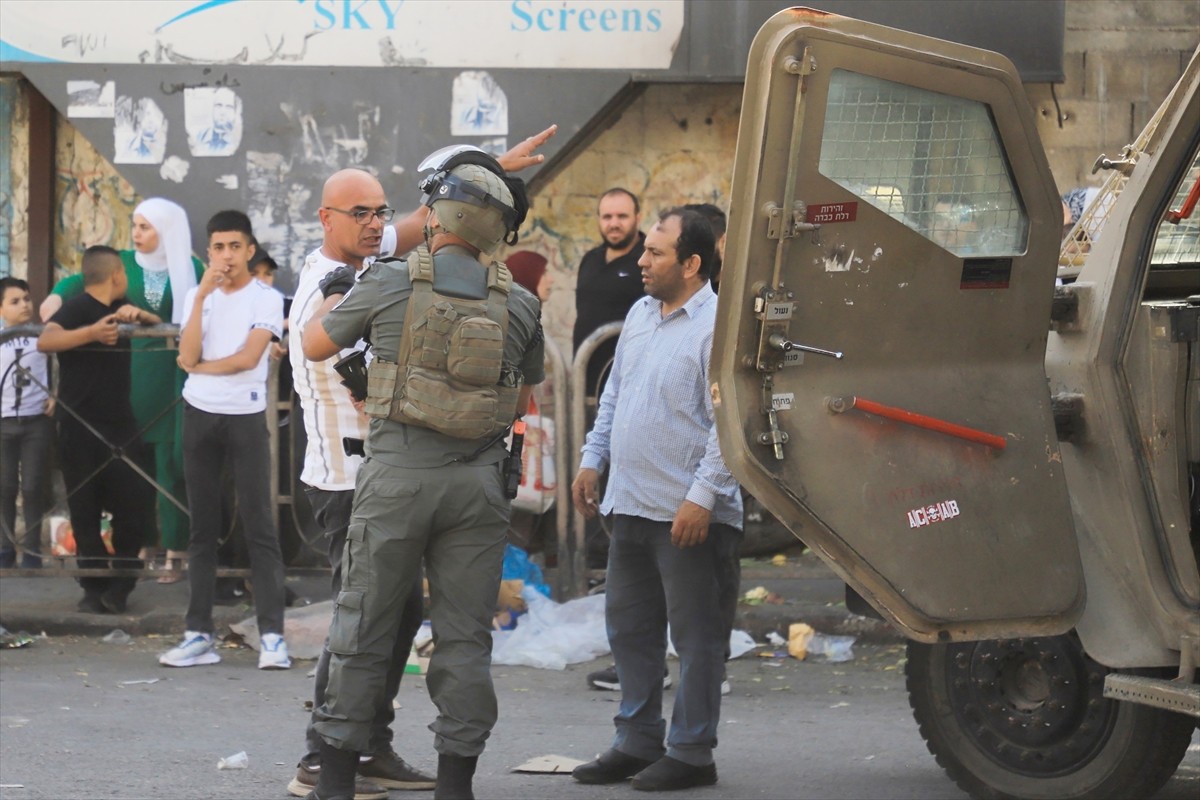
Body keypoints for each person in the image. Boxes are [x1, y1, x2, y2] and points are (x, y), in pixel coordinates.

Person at [285, 129, 556, 799]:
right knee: (464, 637)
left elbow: (315, 343)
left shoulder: (388, 284)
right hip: (478, 486)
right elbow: (523, 393)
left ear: (435, 215)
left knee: (364, 627)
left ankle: (338, 777)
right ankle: (456, 782)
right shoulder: (520, 304)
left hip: (396, 479)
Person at [570, 208, 743, 792]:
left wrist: (702, 498)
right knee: (631, 634)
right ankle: (636, 740)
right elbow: (615, 394)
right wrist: (594, 460)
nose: (641, 261)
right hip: (630, 506)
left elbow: (731, 425)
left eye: (656, 253)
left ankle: (692, 753)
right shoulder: (641, 313)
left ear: (691, 264)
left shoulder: (720, 326)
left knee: (697, 641)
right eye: (644, 250)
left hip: (689, 516)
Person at [41, 198, 204, 583]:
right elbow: (80, 281)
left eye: (147, 227)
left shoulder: (191, 266)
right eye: (135, 225)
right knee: (132, 468)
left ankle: (176, 551)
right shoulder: (122, 264)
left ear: (167, 230)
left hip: (170, 377)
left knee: (170, 466)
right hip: (126, 380)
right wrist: (57, 296)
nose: (137, 233)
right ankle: (140, 548)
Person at [158, 210, 290, 670]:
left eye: (235, 247)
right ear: (208, 251)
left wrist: (196, 367)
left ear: (250, 250)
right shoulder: (200, 295)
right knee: (202, 529)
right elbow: (188, 350)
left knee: (259, 525)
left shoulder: (266, 298)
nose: (226, 256)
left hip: (245, 416)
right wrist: (199, 302)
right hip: (199, 415)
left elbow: (246, 359)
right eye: (218, 247)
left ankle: (273, 635)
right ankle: (198, 634)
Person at [37, 246, 160, 613]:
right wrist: (91, 333)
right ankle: (92, 586)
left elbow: (161, 326)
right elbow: (46, 339)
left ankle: (122, 582)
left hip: (120, 421)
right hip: (78, 423)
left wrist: (140, 315)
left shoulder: (122, 307)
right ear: (115, 274)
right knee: (84, 509)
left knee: (132, 504)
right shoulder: (76, 307)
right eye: (123, 271)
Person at [572, 187, 646, 400]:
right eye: (607, 217)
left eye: (622, 216)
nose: (614, 224)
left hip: (631, 389)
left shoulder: (650, 259)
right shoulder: (590, 260)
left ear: (638, 218)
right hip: (587, 387)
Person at [1, 277, 53, 568]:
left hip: (36, 421)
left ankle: (32, 550)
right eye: (15, 301)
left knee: (33, 486)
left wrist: (56, 394)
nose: (24, 305)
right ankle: (5, 547)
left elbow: (62, 366)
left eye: (27, 299)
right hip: (3, 422)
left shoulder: (42, 335)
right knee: (4, 486)